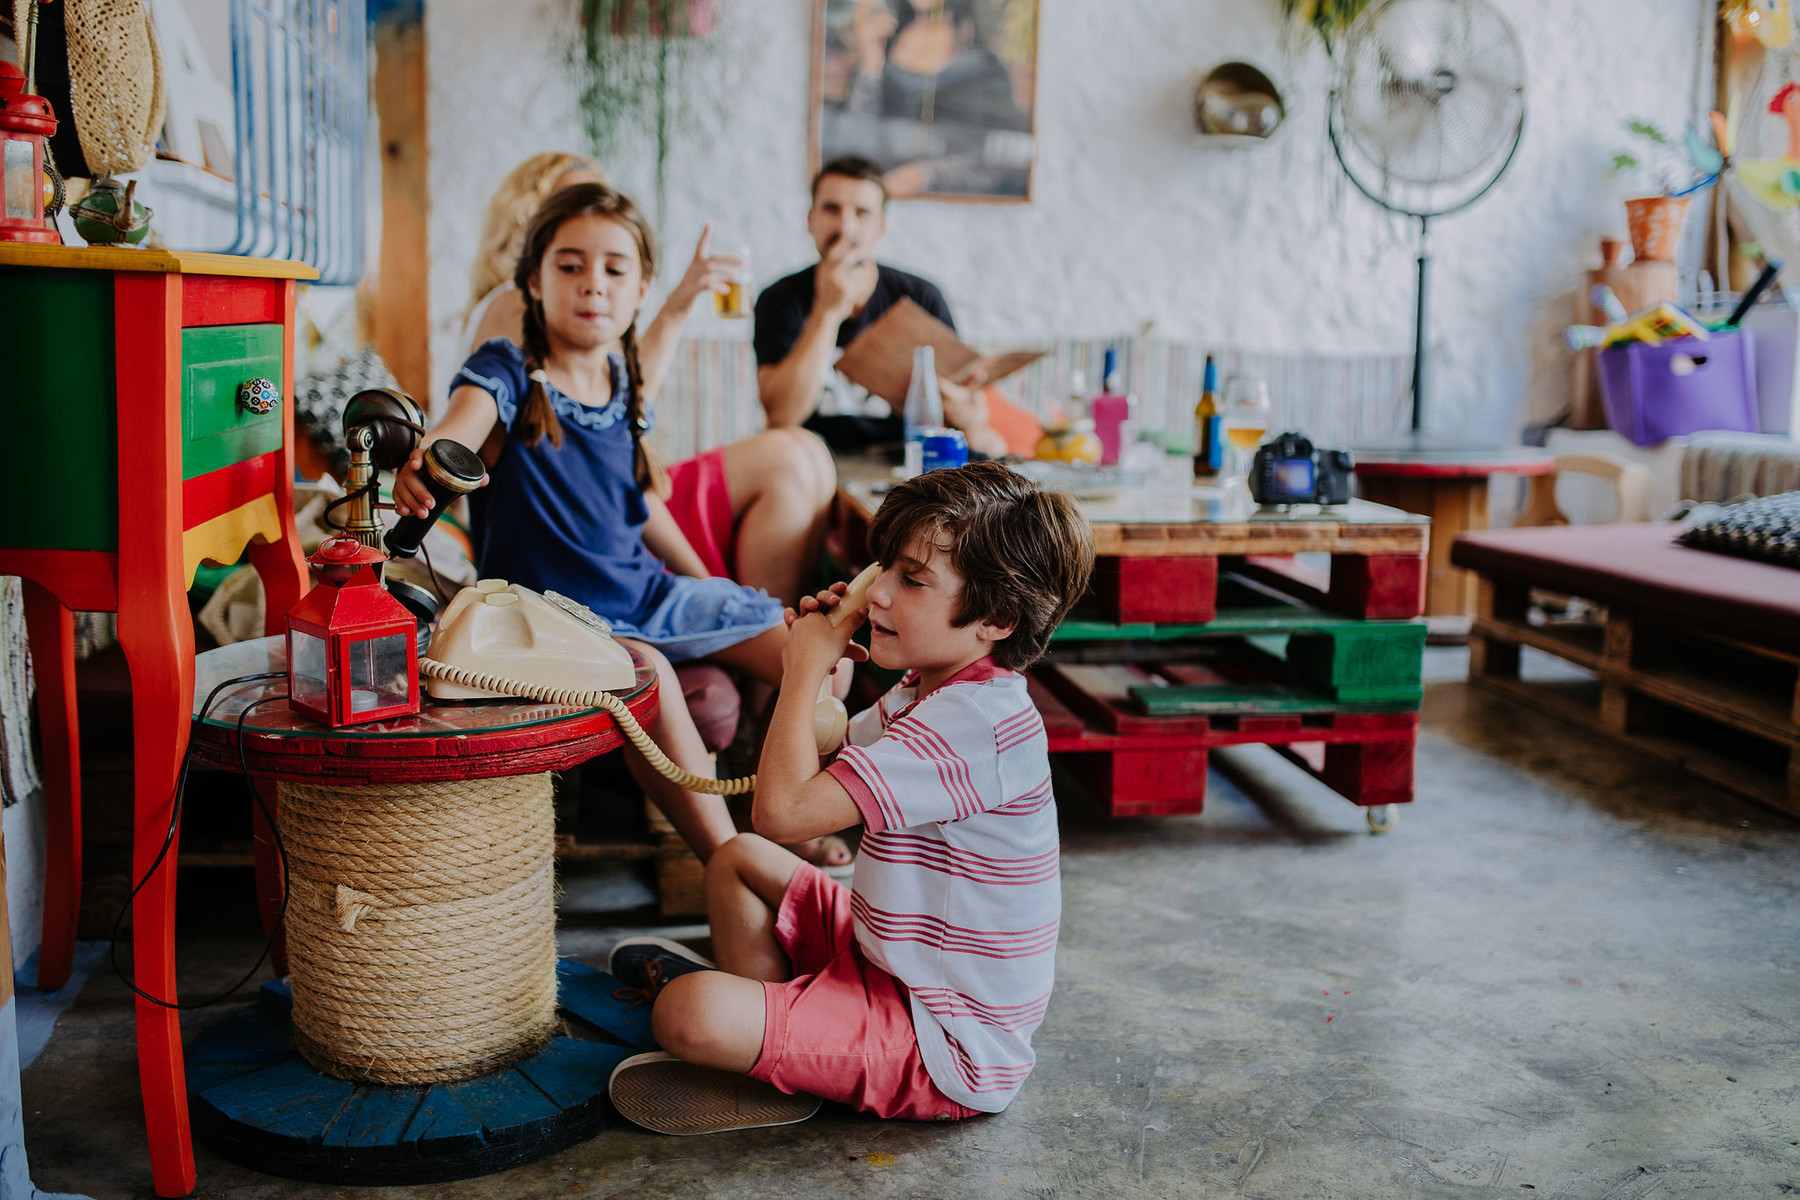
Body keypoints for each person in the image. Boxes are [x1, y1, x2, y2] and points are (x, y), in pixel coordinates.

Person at [602, 461, 1096, 1134]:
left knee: (687, 1014)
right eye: (883, 570)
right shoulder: (935, 687)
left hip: (941, 1041)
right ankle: (788, 1040)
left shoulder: (975, 724)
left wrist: (803, 666)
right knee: (736, 861)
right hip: (882, 954)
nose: (879, 595)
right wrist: (821, 674)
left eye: (912, 580)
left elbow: (783, 811)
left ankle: (767, 1042)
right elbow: (826, 754)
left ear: (998, 617)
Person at [395, 182, 849, 867]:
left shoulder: (622, 380)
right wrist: (431, 458)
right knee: (655, 677)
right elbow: (463, 424)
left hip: (651, 596)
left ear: (640, 289)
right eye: (570, 266)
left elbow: (640, 507)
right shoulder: (509, 369)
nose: (592, 286)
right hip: (558, 618)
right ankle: (735, 866)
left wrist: (716, 594)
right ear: (533, 281)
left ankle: (786, 810)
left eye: (614, 270)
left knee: (824, 657)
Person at [466, 152, 838, 611]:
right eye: (572, 204)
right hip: (583, 516)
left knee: (810, 453)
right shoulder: (515, 307)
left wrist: (682, 299)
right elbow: (478, 428)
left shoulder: (591, 340)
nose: (590, 216)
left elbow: (624, 405)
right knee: (789, 457)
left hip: (618, 485)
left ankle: (769, 639)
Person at [753, 155, 1007, 457]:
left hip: (906, 462)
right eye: (831, 209)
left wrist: (967, 414)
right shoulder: (779, 299)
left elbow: (956, 413)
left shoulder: (921, 297)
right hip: (812, 461)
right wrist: (828, 310)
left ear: (881, 227)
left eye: (862, 213)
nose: (846, 227)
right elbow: (782, 417)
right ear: (811, 220)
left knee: (993, 447)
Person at [835, 0, 1031, 198]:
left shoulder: (983, 66)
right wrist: (870, 63)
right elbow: (854, 137)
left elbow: (986, 158)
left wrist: (925, 175)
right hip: (871, 192)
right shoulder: (881, 45)